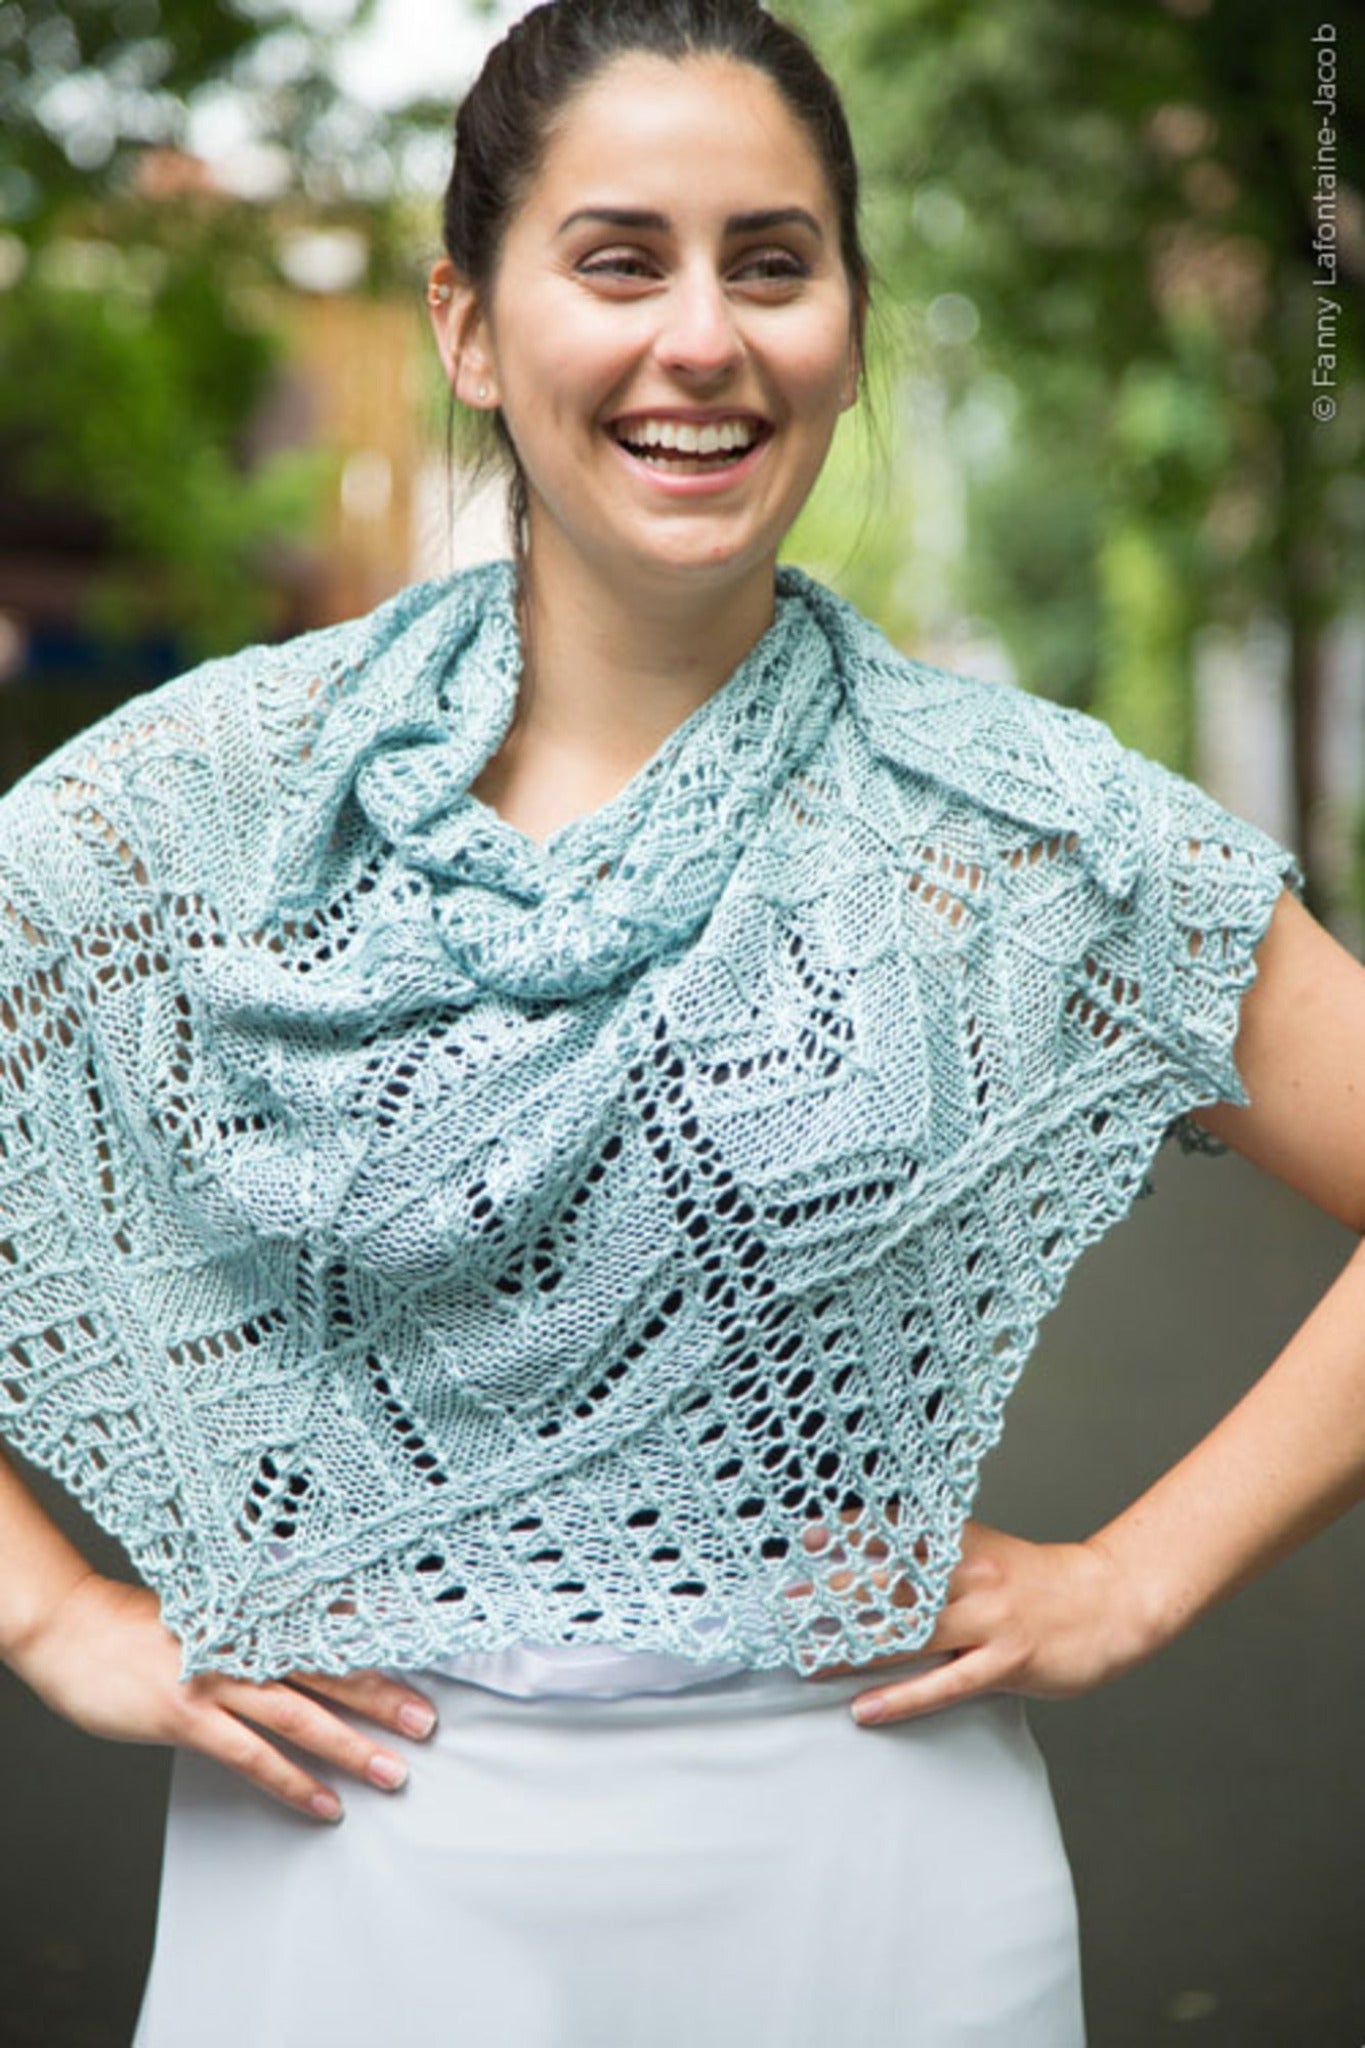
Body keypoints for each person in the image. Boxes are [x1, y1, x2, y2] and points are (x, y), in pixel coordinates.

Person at [1, 1, 1362, 2042]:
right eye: (619, 258)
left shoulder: (1021, 834)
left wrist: (1131, 1574)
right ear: (469, 327)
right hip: (345, 1885)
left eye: (771, 262)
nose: (702, 339)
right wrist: (52, 1611)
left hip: (872, 1888)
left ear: (845, 327)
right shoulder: (194, 811)